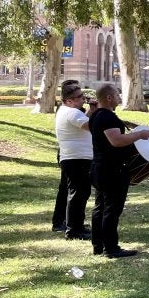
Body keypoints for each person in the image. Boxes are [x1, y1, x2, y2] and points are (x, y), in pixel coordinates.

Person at [88, 83, 149, 258]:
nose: (119, 98)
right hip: (111, 170)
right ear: (108, 98)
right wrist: (139, 135)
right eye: (117, 95)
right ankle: (111, 248)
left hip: (100, 168)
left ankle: (99, 245)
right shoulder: (107, 117)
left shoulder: (96, 116)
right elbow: (116, 141)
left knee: (100, 207)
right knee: (111, 209)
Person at [55, 81, 93, 240]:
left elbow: (84, 122)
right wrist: (101, 111)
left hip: (74, 157)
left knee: (78, 193)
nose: (83, 99)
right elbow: (93, 126)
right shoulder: (72, 113)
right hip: (77, 158)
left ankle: (76, 226)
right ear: (69, 100)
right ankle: (74, 230)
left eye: (83, 96)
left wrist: (92, 111)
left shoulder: (67, 111)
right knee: (78, 194)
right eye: (79, 97)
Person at [51, 78, 82, 233]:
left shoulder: (73, 109)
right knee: (66, 189)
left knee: (68, 189)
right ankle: (59, 222)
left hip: (68, 152)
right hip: (67, 153)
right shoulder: (66, 110)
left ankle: (68, 221)